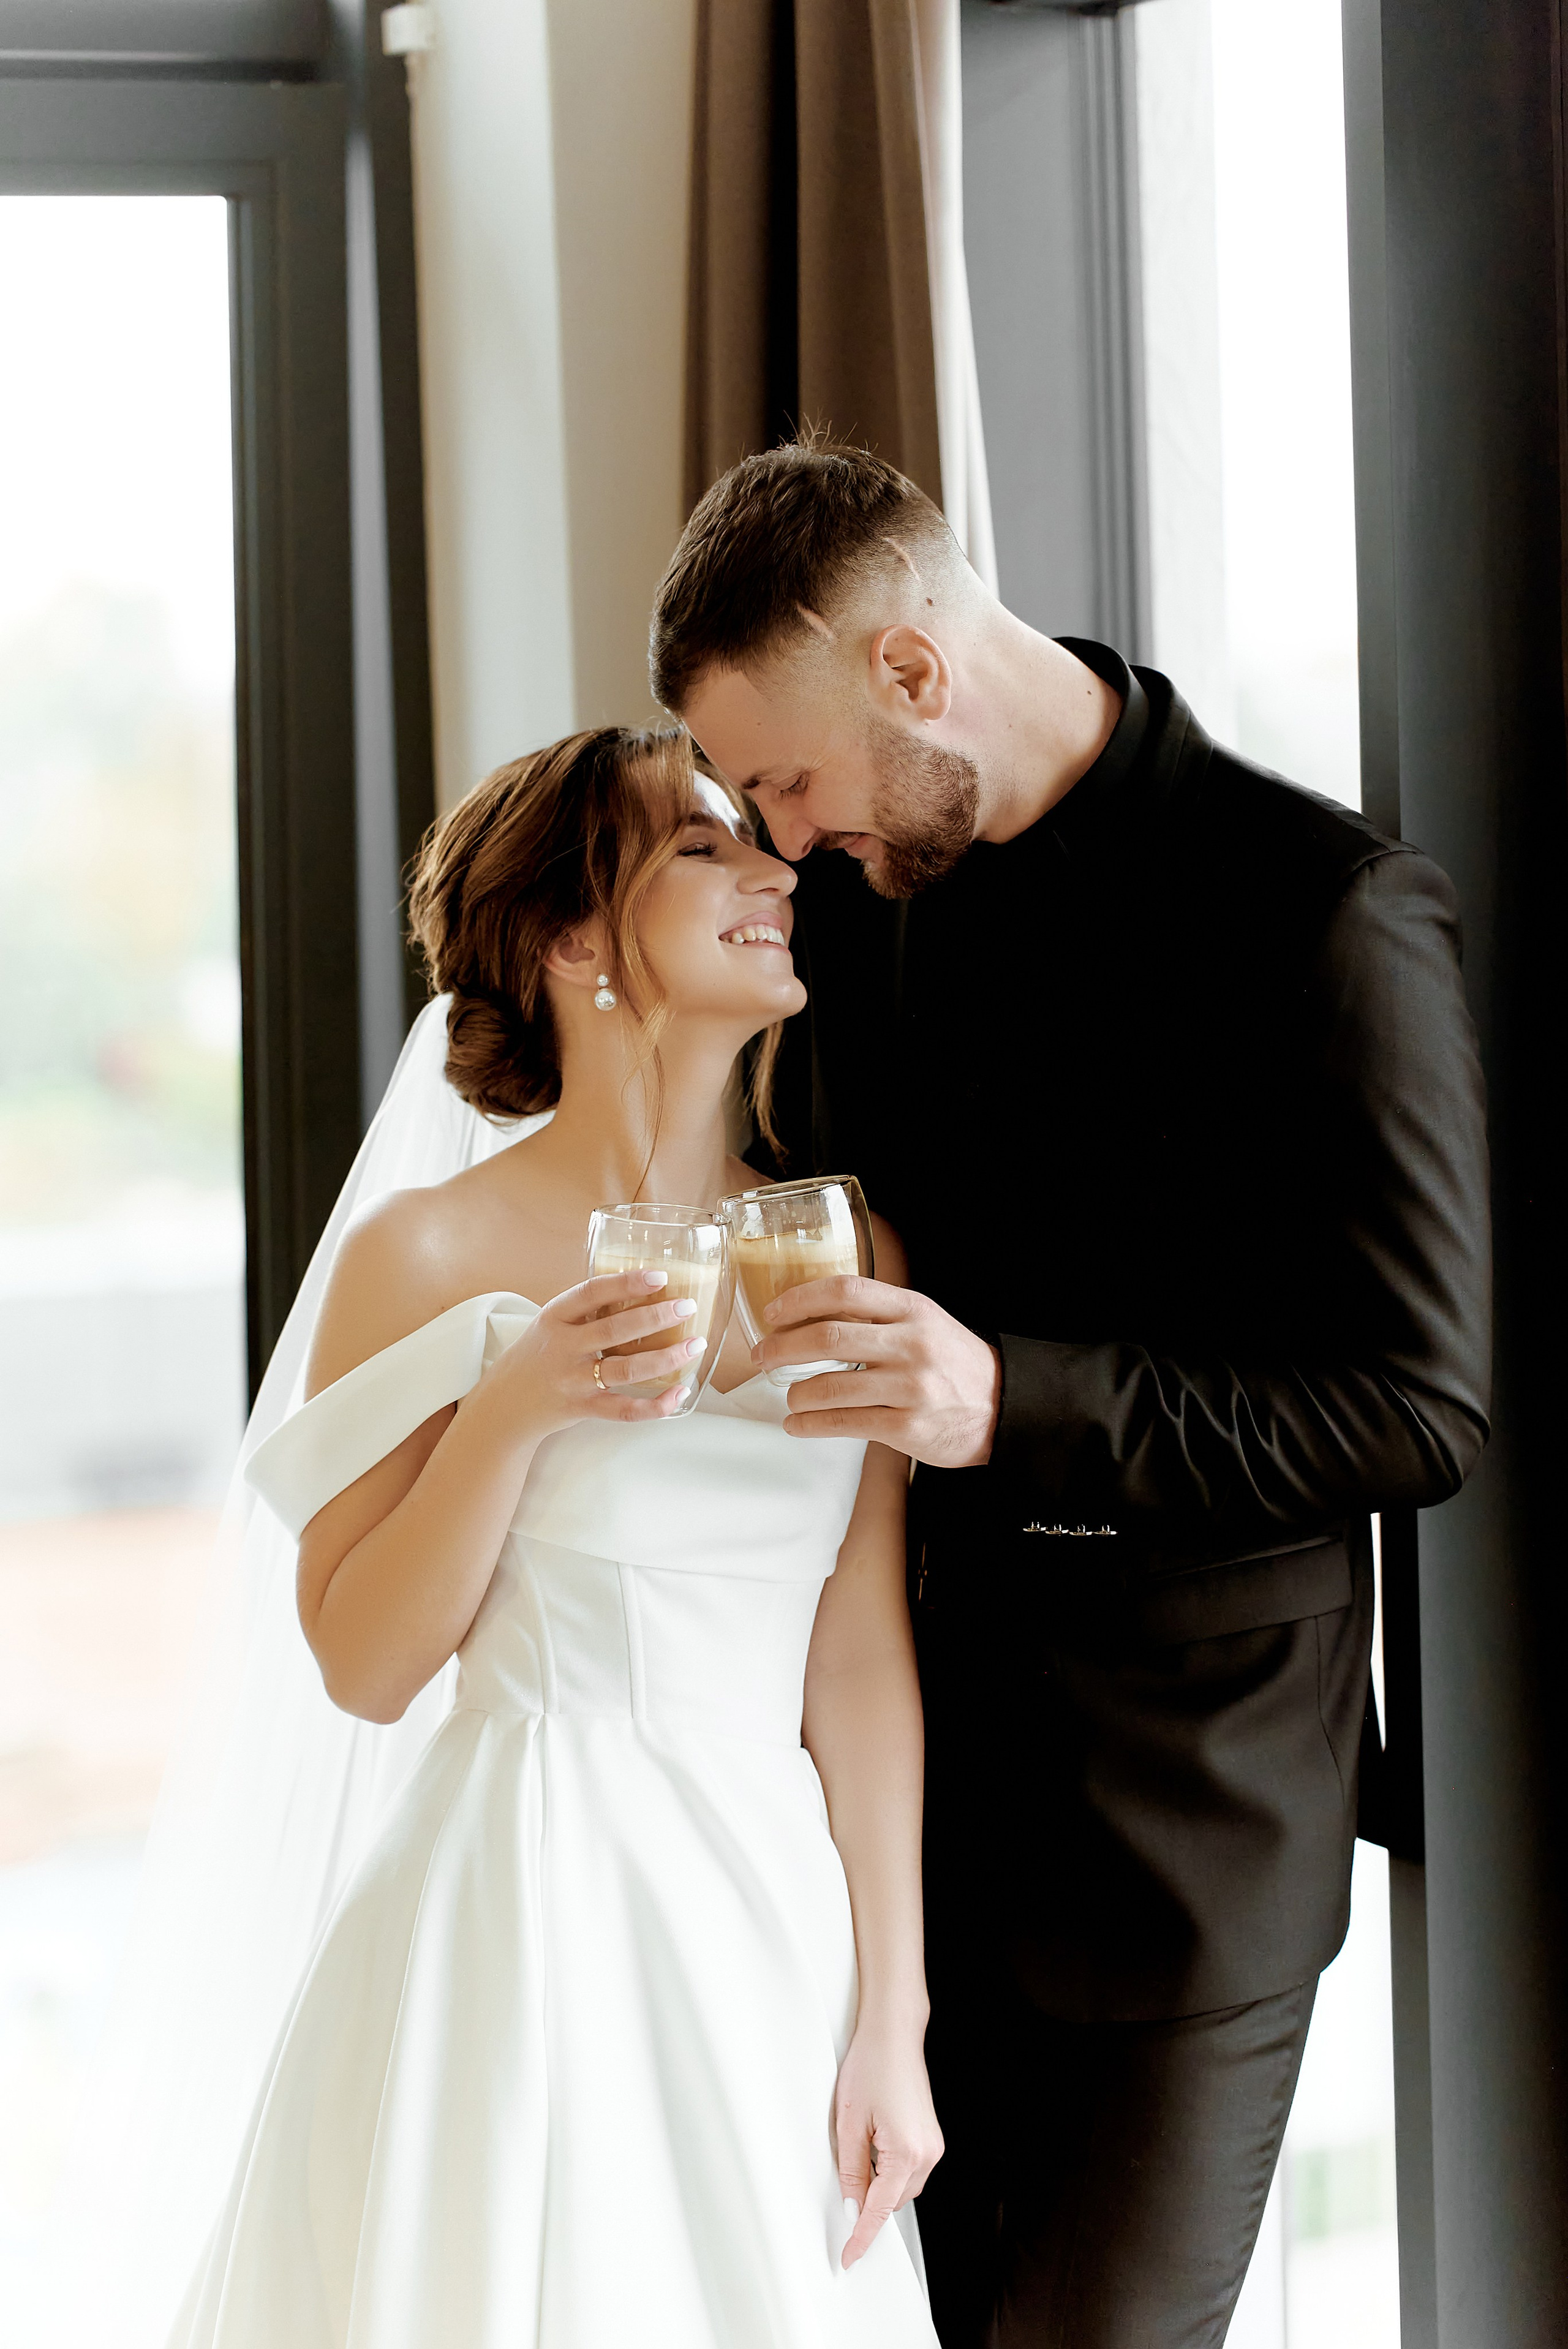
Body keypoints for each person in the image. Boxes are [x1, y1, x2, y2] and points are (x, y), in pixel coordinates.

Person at [650, 440, 1492, 2347]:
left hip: (1191, 1845)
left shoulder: (1327, 911)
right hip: (902, 1836)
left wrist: (1008, 1399)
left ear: (915, 674)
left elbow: (1420, 1408)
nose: (776, 841)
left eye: (782, 781)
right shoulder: (867, 913)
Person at [159, 726, 943, 2347]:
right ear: (576, 939)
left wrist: (897, 2014)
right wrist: (513, 1407)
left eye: (758, 842)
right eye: (703, 851)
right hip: (522, 1895)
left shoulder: (840, 1238)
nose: (770, 871)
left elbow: (857, 1651)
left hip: (763, 1919)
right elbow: (367, 1664)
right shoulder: (427, 1251)